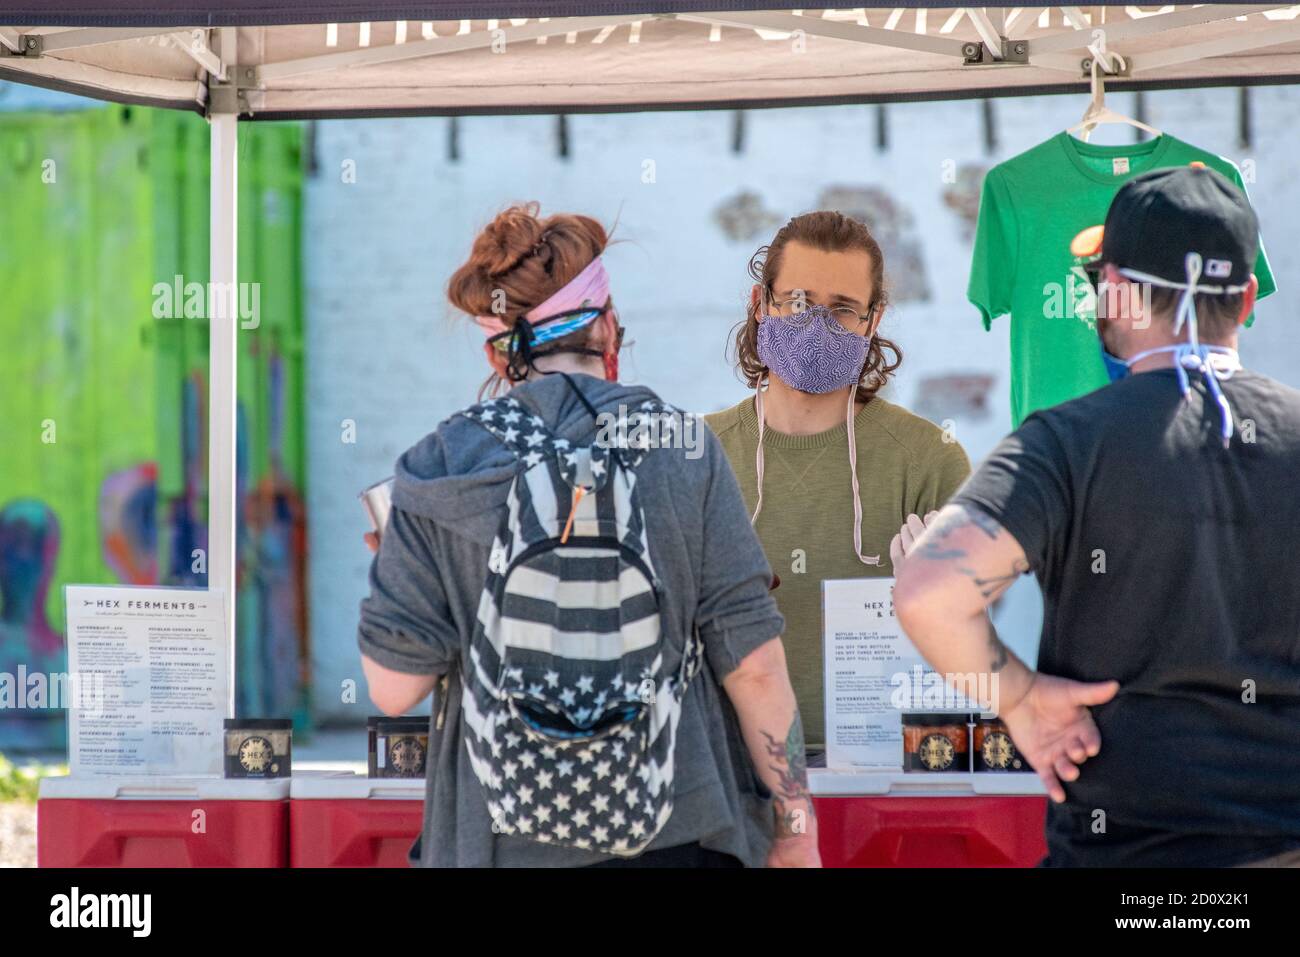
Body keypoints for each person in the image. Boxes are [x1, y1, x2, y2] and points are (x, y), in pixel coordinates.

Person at [357, 203, 819, 868]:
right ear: (606, 327)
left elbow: (394, 686)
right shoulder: (684, 447)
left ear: (498, 351)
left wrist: (401, 566)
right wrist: (796, 828)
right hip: (675, 832)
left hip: (501, 845)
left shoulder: (443, 464)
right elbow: (754, 665)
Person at [892, 165, 1300, 867]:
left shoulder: (1066, 442)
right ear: (1247, 297)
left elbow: (930, 591)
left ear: (1113, 294)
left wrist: (1019, 698)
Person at [705, 211, 971, 764]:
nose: (817, 324)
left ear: (873, 321)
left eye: (843, 309)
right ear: (761, 305)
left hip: (887, 768)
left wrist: (945, 591)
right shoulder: (698, 457)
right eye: (798, 301)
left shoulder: (929, 460)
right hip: (733, 770)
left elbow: (973, 636)